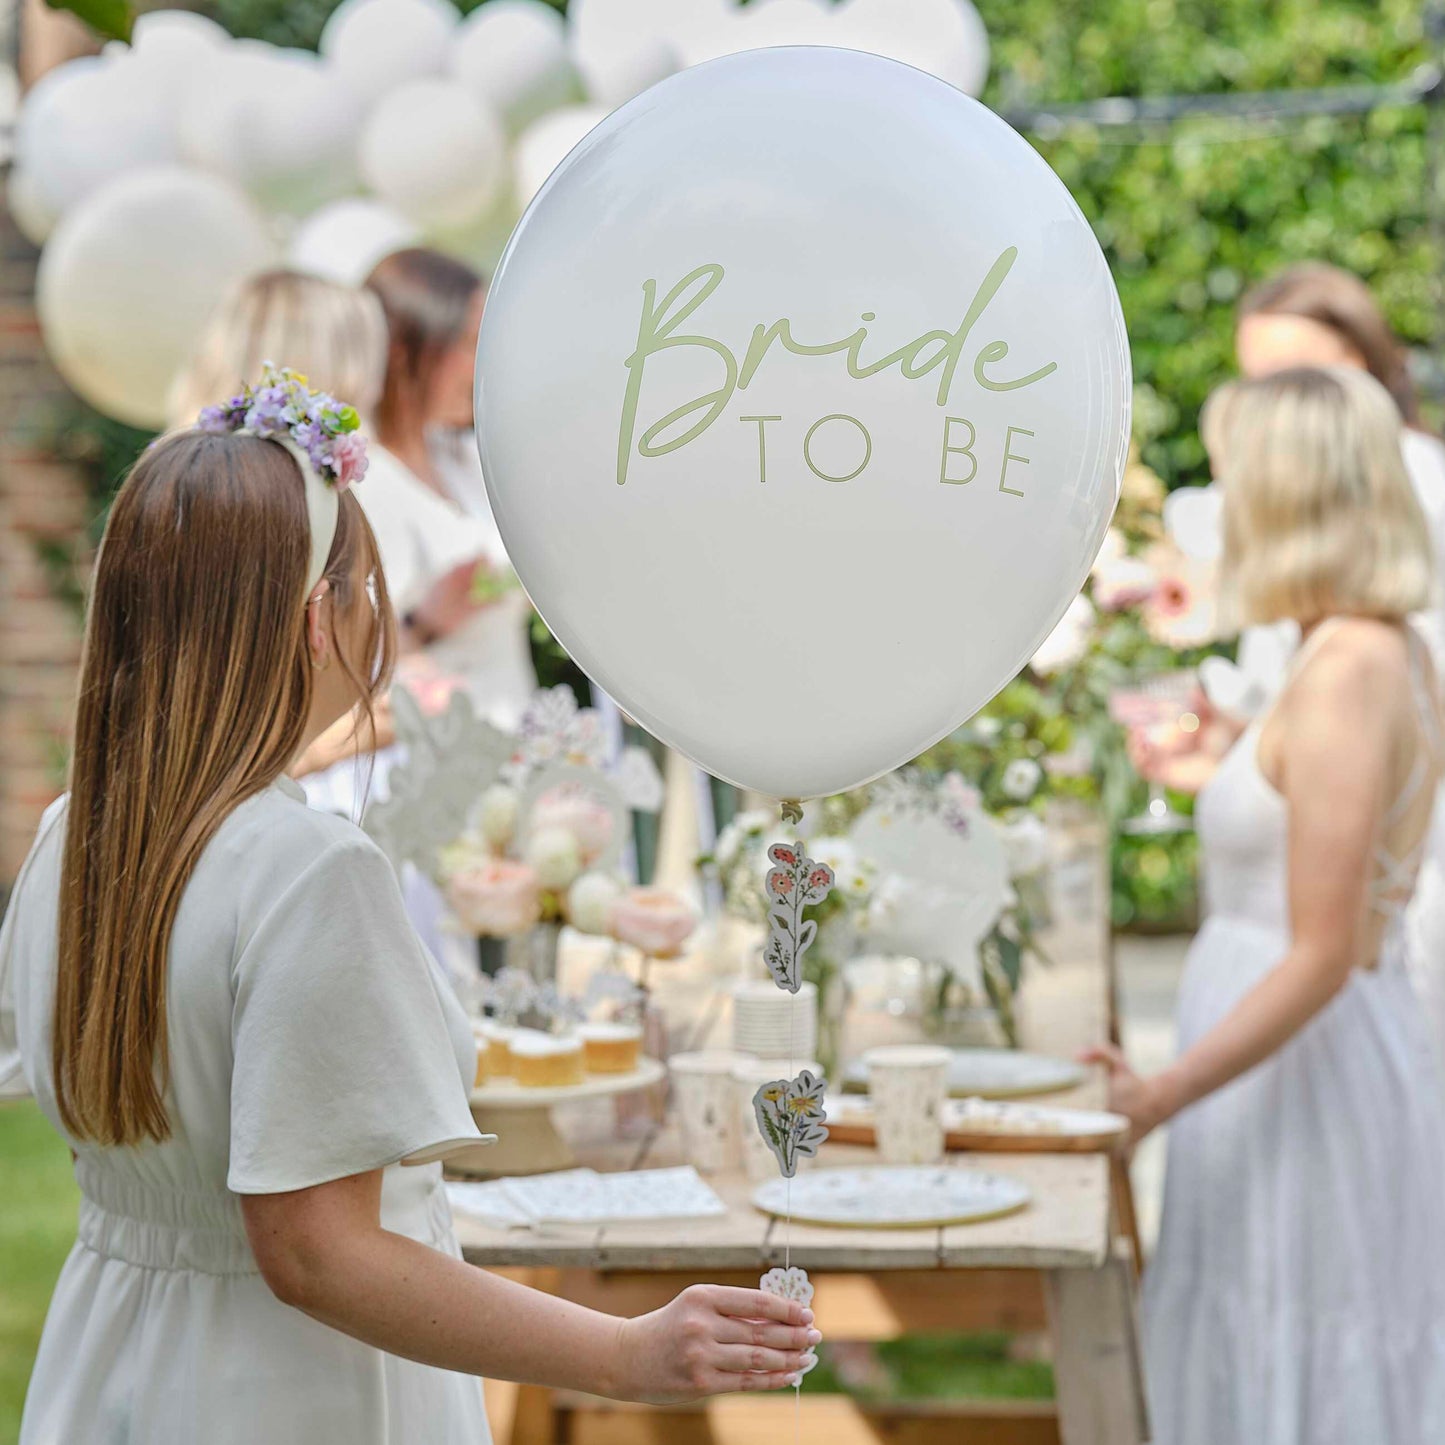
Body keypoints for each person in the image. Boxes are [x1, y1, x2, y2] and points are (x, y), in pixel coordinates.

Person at [0, 380, 817, 1445]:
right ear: (314, 619)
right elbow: (314, 1251)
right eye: (364, 587)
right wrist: (622, 1350)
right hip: (289, 1392)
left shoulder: (73, 837)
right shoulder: (306, 869)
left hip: (115, 1355)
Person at [1089, 367, 1445, 1445]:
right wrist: (1232, 758)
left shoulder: (1349, 667)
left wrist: (1158, 1095)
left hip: (1304, 1082)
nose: (1224, 507)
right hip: (1283, 1075)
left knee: (1303, 1352)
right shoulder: (1341, 648)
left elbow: (1321, 949)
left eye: (1238, 479)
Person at [1148, 262, 1445, 1049]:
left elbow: (1364, 738)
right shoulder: (1341, 625)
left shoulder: (1396, 497)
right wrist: (1240, 754)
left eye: (1291, 375)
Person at [365, 246, 536, 729]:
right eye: (467, 341)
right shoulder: (359, 484)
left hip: (513, 722)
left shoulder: (466, 459)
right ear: (407, 350)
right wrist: (427, 624)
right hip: (423, 757)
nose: (482, 360)